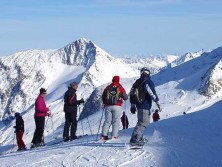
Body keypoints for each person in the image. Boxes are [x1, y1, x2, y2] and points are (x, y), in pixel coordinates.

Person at [130, 67, 160, 146]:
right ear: (148, 73)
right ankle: (135, 139)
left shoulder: (137, 81)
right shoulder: (148, 81)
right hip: (145, 105)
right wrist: (157, 101)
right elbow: (151, 92)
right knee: (144, 123)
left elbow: (132, 94)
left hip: (138, 105)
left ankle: (138, 137)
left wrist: (132, 106)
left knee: (140, 122)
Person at [101, 76, 128, 140]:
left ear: (112, 80)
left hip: (108, 106)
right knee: (115, 121)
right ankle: (114, 136)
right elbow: (125, 97)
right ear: (118, 80)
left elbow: (103, 96)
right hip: (117, 106)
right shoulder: (120, 87)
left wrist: (105, 103)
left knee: (107, 121)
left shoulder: (108, 87)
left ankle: (104, 135)